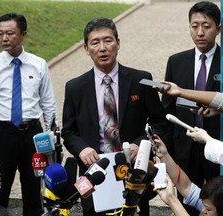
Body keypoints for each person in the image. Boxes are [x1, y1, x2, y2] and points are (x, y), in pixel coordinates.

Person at [61, 17, 168, 216]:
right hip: (94, 172)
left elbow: (159, 122)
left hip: (133, 171)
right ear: (86, 48)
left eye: (108, 40)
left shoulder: (140, 80)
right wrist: (82, 149)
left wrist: (141, 145)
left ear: (118, 43)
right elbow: (68, 131)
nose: (102, 48)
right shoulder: (75, 88)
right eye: (95, 42)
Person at [161, 2, 223, 214]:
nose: (200, 32)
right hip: (185, 148)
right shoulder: (176, 61)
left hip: (220, 145)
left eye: (206, 26)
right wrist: (166, 154)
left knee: (221, 204)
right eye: (194, 25)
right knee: (187, 202)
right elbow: (167, 111)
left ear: (218, 29)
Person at [0, 13, 59, 215]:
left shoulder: (38, 64)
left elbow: (48, 104)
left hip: (33, 135)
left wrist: (55, 139)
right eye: (0, 34)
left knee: (34, 192)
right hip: (1, 134)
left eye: (10, 33)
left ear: (23, 34)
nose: (4, 38)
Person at [152, 134, 223, 216]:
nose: (203, 211)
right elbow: (186, 186)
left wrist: (171, 199)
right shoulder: (211, 203)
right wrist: (164, 155)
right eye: (203, 205)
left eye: (208, 209)